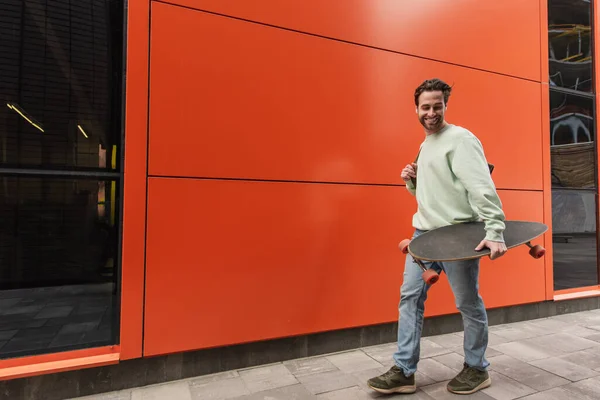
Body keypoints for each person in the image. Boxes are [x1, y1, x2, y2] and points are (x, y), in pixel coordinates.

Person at [367, 78, 507, 395]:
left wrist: (495, 229)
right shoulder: (426, 144)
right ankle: (404, 370)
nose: (431, 112)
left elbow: (481, 186)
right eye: (425, 107)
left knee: (467, 303)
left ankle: (477, 368)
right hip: (424, 235)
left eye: (437, 106)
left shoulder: (461, 139)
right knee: (409, 298)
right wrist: (412, 181)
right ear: (416, 109)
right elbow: (437, 191)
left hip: (458, 235)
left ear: (445, 105)